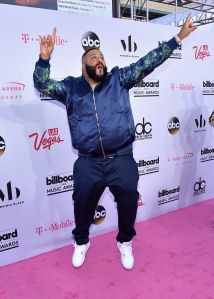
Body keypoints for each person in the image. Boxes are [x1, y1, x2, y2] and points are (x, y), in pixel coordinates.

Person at [33, 14, 196, 270]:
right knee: (82, 203)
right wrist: (44, 59)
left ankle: (125, 241)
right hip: (88, 162)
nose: (99, 60)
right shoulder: (71, 88)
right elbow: (41, 83)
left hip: (121, 157)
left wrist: (178, 38)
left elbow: (148, 62)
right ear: (83, 65)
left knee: (129, 200)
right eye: (93, 57)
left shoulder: (118, 79)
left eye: (102, 57)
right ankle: (82, 241)